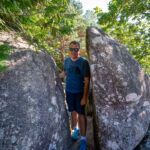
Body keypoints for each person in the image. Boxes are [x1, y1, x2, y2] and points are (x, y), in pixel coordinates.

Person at [59, 41, 90, 150]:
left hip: (80, 92)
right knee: (72, 111)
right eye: (72, 49)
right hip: (69, 91)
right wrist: (55, 76)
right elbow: (65, 73)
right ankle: (75, 129)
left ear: (79, 50)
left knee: (81, 114)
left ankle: (83, 140)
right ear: (69, 50)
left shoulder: (84, 62)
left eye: (76, 49)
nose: (74, 51)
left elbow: (87, 80)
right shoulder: (67, 61)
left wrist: (84, 97)